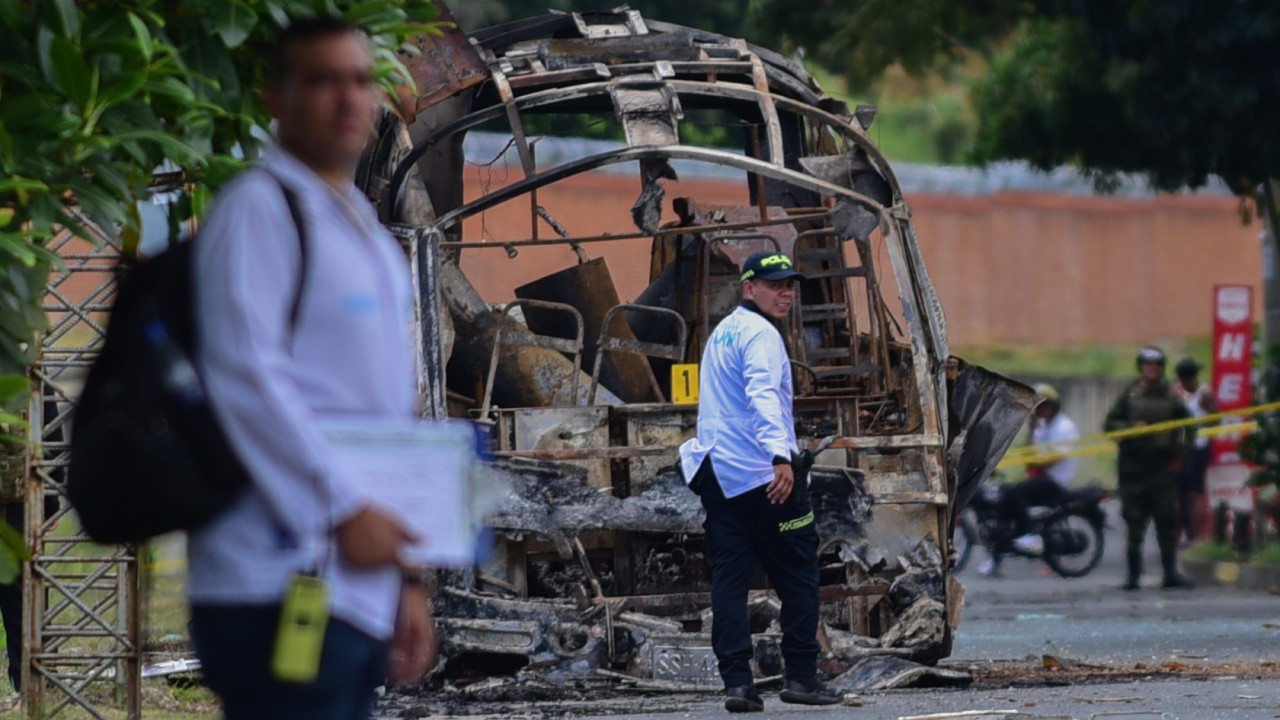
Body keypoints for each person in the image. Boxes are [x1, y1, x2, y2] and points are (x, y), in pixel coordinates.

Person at [188, 17, 434, 719]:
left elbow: (389, 415)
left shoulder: (364, 231)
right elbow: (244, 374)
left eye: (361, 80)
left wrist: (406, 580)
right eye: (323, 80)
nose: (349, 99)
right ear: (275, 96)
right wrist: (343, 505)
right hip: (272, 582)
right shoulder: (258, 213)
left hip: (354, 586)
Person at [678, 251, 841, 713]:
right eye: (774, 285)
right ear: (749, 288)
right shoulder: (761, 335)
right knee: (799, 572)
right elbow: (763, 396)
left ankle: (737, 684)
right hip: (764, 477)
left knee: (730, 578)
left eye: (790, 285)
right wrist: (780, 457)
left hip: (718, 473)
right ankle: (803, 678)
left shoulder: (723, 332)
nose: (785, 293)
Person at [1103, 346, 1195, 591]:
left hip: (1162, 471)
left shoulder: (1172, 398)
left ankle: (1170, 573)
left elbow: (1190, 426)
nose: (1151, 369)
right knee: (1134, 526)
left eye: (1156, 365)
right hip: (1133, 472)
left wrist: (1182, 455)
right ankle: (1133, 575)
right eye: (1147, 364)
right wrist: (1132, 427)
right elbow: (1110, 425)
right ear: (1141, 367)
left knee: (1166, 524)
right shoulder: (1129, 396)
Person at [978, 383, 1079, 575]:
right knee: (1003, 502)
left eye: (1044, 406)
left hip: (1056, 480)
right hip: (1042, 477)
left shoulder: (1064, 426)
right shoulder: (1041, 426)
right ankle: (996, 557)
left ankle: (1029, 533)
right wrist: (1032, 429)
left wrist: (1037, 462)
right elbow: (1030, 454)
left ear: (1053, 407)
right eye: (1037, 407)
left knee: (1015, 492)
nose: (1041, 411)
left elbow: (1054, 459)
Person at [1172, 357, 1216, 544]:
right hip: (1196, 448)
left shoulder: (1175, 393)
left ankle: (1187, 536)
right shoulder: (1204, 393)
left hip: (1185, 448)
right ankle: (1195, 537)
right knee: (1193, 495)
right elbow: (1216, 418)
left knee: (1183, 495)